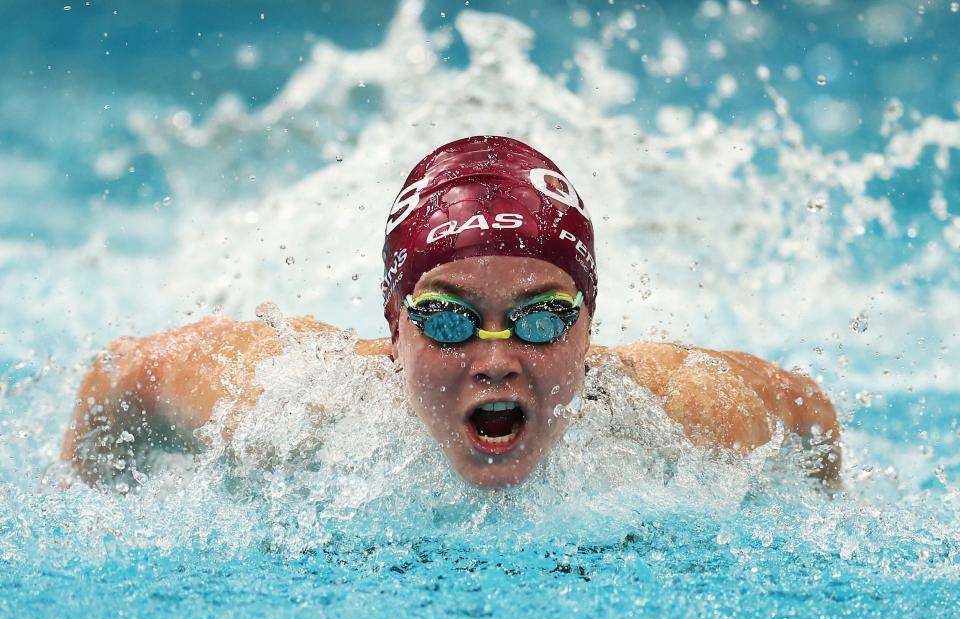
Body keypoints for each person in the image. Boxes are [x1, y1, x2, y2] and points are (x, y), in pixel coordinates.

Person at [59, 136, 841, 490]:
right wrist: (90, 496)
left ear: (591, 325)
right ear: (393, 326)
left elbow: (808, 409)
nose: (495, 357)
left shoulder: (685, 418)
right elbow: (123, 372)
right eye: (446, 319)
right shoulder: (291, 412)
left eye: (541, 318)